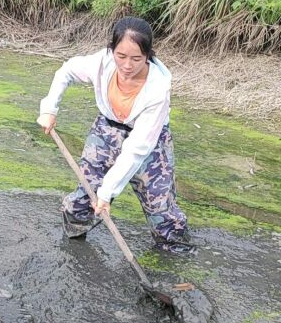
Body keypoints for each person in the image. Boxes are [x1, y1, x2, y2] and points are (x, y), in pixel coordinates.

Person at [37, 17, 191, 253]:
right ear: (112, 50)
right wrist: (49, 109)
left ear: (148, 54)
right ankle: (75, 249)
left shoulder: (157, 90)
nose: (127, 65)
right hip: (106, 132)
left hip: (150, 145)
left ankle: (175, 262)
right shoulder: (102, 62)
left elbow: (137, 149)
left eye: (136, 58)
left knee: (162, 213)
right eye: (121, 56)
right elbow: (66, 71)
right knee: (83, 201)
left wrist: (108, 192)